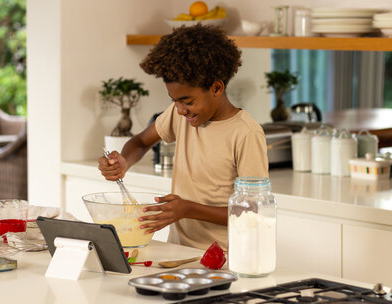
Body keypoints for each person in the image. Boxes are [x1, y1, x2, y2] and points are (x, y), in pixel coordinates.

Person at [98, 24, 268, 250]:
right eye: (174, 100)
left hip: (227, 258)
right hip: (179, 251)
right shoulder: (181, 117)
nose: (179, 109)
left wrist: (188, 209)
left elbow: (253, 211)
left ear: (217, 88)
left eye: (187, 101)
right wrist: (124, 162)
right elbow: (139, 142)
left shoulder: (246, 133)